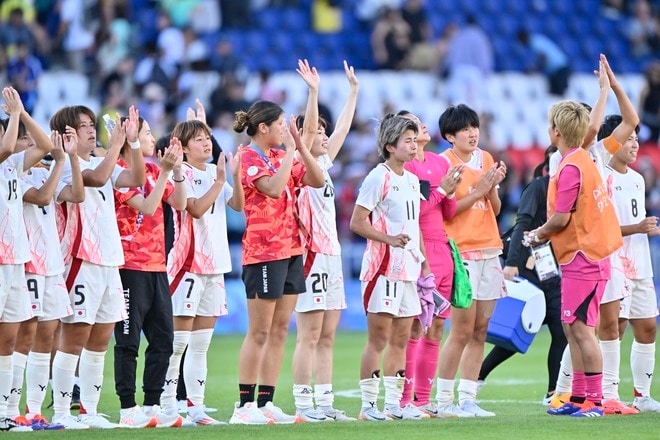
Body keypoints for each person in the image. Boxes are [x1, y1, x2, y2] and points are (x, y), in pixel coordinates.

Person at [49, 105, 146, 429]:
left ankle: (89, 411)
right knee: (74, 339)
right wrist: (117, 144)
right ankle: (62, 412)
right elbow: (99, 178)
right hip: (81, 259)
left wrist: (131, 144)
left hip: (109, 259)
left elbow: (135, 178)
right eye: (83, 126)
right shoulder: (64, 164)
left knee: (100, 341)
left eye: (92, 125)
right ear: (67, 134)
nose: (92, 130)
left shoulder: (99, 160)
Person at [229, 101, 324, 425]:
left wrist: (298, 148)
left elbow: (317, 179)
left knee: (281, 330)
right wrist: (288, 154)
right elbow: (272, 188)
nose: (285, 129)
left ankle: (266, 402)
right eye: (281, 124)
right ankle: (244, 406)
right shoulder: (248, 157)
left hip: (291, 250)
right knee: (259, 331)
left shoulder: (283, 155)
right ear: (264, 127)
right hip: (263, 253)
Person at [533, 100, 623, 418]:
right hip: (583, 255)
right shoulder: (581, 157)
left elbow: (560, 218)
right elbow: (594, 128)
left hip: (584, 256)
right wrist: (602, 92)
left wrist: (537, 234)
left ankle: (595, 402)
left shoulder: (571, 166)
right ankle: (580, 397)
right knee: (572, 328)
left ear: (556, 131)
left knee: (583, 331)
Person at [161, 119, 243, 426]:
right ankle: (168, 406)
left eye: (207, 137)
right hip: (187, 265)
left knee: (201, 345)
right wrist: (220, 182)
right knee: (178, 342)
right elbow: (194, 209)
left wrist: (232, 176)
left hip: (216, 265)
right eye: (198, 139)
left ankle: (196, 409)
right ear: (182, 147)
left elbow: (236, 205)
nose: (207, 143)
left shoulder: (213, 171)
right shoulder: (178, 174)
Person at [291, 60, 358, 423]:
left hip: (331, 254)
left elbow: (344, 128)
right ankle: (303, 406)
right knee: (310, 334)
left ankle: (326, 403)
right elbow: (307, 131)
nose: (325, 136)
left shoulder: (323, 165)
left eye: (324, 131)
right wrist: (313, 93)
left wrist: (353, 91)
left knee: (329, 335)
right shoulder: (300, 167)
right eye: (318, 131)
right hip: (311, 255)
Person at [350, 113, 428, 422]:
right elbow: (357, 222)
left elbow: (415, 225)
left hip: (408, 269)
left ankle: (394, 404)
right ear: (389, 146)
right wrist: (389, 239)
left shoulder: (411, 179)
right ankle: (369, 406)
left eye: (414, 140)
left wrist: (423, 264)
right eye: (407, 141)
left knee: (401, 338)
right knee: (378, 339)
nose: (413, 146)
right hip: (382, 269)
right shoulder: (377, 177)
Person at [7, 124, 83, 431]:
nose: (29, 143)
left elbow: (76, 194)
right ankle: (11, 409)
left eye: (30, 137)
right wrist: (60, 163)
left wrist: (70, 159)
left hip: (52, 264)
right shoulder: (14, 173)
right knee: (23, 338)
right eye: (24, 137)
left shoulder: (43, 170)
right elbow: (41, 198)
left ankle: (35, 410)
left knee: (48, 337)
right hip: (29, 264)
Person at [477, 146, 567, 405]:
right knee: (518, 330)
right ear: (551, 165)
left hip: (552, 271)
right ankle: (479, 374)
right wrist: (513, 261)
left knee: (560, 333)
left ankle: (554, 392)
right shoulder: (538, 188)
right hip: (529, 268)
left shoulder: (569, 191)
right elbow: (522, 224)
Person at [113, 115, 187, 428]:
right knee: (128, 341)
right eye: (145, 132)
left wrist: (178, 170)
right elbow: (146, 206)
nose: (151, 136)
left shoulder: (157, 169)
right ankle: (128, 408)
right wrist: (166, 173)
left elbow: (179, 203)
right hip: (130, 265)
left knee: (164, 341)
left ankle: (152, 404)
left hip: (157, 265)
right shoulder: (118, 171)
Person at [434, 104, 506, 418]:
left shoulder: (486, 158)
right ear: (450, 136)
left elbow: (497, 209)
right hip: (461, 251)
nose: (472, 133)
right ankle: (444, 399)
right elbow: (446, 211)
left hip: (490, 246)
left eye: (474, 126)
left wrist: (491, 189)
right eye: (464, 129)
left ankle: (468, 398)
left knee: (481, 330)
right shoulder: (443, 164)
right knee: (461, 330)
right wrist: (480, 190)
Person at [399, 110, 462, 417]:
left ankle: (423, 400)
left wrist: (452, 192)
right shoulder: (406, 167)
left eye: (420, 122)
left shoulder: (440, 162)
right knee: (414, 327)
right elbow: (418, 212)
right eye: (412, 123)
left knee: (437, 327)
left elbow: (447, 212)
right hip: (420, 249)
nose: (422, 125)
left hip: (443, 249)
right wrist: (442, 191)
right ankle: (404, 399)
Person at [0, 87, 53, 432]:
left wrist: (23, 115)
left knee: (9, 338)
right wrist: (15, 114)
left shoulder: (12, 168)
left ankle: (5, 411)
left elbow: (46, 146)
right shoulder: (4, 156)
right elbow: (7, 146)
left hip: (17, 259)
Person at [603, 116, 660, 413]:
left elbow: (637, 222)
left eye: (636, 138)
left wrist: (646, 228)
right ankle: (608, 394)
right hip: (614, 262)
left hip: (641, 263)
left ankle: (642, 395)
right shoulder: (603, 178)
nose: (635, 143)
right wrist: (637, 228)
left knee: (648, 328)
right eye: (628, 138)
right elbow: (601, 227)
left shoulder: (637, 179)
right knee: (615, 327)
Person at [517, 28, 571, 96]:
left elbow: (544, 58)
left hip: (559, 68)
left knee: (558, 94)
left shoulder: (534, 43)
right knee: (553, 95)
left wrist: (535, 70)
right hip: (555, 69)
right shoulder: (537, 39)